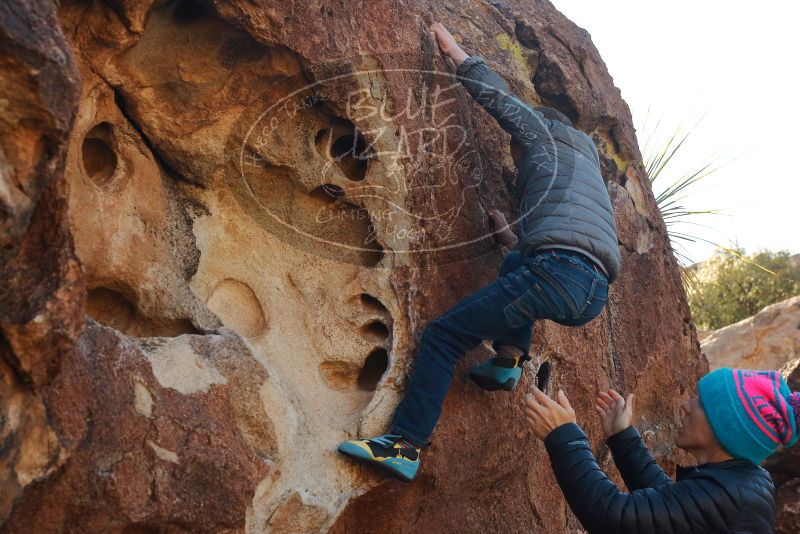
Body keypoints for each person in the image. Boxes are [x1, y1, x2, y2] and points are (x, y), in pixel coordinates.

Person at [337, 23, 620, 481]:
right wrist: (509, 234)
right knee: (516, 265)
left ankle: (405, 446)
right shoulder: (584, 177)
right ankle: (508, 359)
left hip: (558, 271)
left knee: (444, 337)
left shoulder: (545, 136)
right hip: (591, 293)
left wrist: (457, 54)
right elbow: (560, 241)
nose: (514, 152)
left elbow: (504, 105)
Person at [524, 367, 797, 533]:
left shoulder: (732, 495)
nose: (686, 406)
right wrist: (622, 437)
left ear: (726, 429)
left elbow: (612, 517)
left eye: (701, 404)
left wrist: (565, 437)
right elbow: (669, 505)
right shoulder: (742, 484)